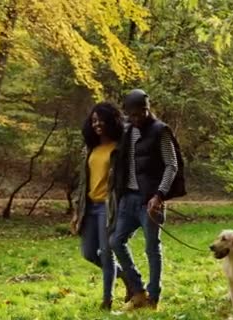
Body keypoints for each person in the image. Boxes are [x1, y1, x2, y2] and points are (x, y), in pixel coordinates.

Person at [110, 89, 186, 311]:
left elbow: (172, 165)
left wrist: (159, 195)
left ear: (148, 108)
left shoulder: (160, 131)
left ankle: (153, 297)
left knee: (152, 248)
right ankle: (138, 290)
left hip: (151, 201)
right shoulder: (125, 130)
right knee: (116, 241)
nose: (139, 117)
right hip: (128, 198)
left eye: (143, 111)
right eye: (133, 114)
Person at [69, 102, 131, 310]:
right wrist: (77, 212)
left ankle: (107, 300)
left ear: (111, 121)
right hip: (89, 206)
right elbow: (83, 182)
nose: (97, 124)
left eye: (101, 120)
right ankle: (128, 278)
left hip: (108, 207)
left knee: (106, 253)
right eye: (94, 120)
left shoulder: (119, 148)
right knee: (88, 253)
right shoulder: (90, 148)